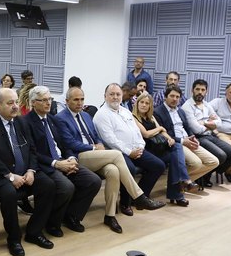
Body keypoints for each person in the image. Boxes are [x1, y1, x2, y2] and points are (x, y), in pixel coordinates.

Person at [55, 87, 164, 231]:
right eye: (76, 99)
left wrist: (98, 143)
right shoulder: (60, 118)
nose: (80, 102)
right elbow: (69, 143)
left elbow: (96, 135)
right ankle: (139, 197)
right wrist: (94, 148)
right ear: (67, 101)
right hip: (78, 156)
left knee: (113, 171)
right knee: (117, 154)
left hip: (95, 155)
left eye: (82, 99)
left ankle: (110, 216)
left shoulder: (86, 116)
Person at [0, 88, 66, 256]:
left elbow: (32, 149)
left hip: (25, 171)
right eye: (10, 103)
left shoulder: (21, 122)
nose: (15, 106)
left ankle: (34, 231)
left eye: (16, 102)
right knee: (9, 194)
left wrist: (31, 170)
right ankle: (14, 238)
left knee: (48, 185)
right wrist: (10, 176)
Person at [24, 86, 101, 232]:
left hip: (63, 160)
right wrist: (56, 163)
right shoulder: (26, 122)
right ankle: (52, 223)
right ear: (33, 102)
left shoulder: (53, 120)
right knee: (66, 187)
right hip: (46, 165)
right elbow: (31, 152)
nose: (48, 103)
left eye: (50, 99)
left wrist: (71, 158)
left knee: (93, 181)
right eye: (44, 100)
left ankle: (71, 216)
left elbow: (65, 145)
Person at [94, 83, 166, 211]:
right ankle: (125, 203)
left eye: (118, 94)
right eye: (112, 94)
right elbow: (110, 140)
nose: (115, 97)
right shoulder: (102, 115)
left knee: (158, 165)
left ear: (122, 96)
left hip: (136, 149)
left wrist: (140, 147)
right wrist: (129, 152)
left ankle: (139, 198)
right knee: (130, 169)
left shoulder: (125, 111)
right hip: (117, 153)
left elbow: (137, 132)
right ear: (105, 96)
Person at [133, 92, 197, 206]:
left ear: (150, 106)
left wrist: (169, 139)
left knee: (176, 150)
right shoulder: (134, 117)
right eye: (141, 102)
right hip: (147, 149)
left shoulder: (151, 116)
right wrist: (160, 128)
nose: (144, 105)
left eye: (147, 103)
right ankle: (181, 188)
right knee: (175, 157)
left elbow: (162, 131)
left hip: (157, 147)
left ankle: (181, 186)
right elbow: (146, 134)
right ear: (137, 104)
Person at [153, 85, 219, 185]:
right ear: (165, 97)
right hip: (175, 143)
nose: (175, 99)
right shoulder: (157, 112)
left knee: (213, 161)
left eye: (177, 97)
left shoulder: (180, 111)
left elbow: (187, 128)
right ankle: (170, 183)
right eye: (172, 96)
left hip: (188, 140)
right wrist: (183, 141)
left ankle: (180, 182)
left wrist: (193, 137)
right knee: (196, 163)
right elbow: (164, 135)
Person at [181, 79, 231, 185]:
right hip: (198, 137)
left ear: (206, 92)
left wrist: (203, 123)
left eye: (203, 90)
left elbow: (219, 122)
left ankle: (206, 174)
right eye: (197, 89)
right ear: (192, 90)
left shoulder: (206, 104)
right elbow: (196, 129)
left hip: (211, 135)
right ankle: (203, 178)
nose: (200, 92)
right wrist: (210, 123)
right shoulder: (187, 106)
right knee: (222, 155)